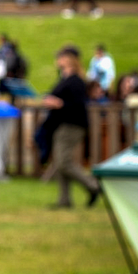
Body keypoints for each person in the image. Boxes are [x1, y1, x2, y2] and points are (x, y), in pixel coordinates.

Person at [42, 47, 101, 208]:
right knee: (61, 162)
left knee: (64, 162)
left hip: (72, 125)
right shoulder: (65, 78)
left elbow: (77, 105)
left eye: (60, 57)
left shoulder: (76, 81)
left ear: (68, 59)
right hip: (62, 124)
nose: (57, 60)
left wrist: (58, 103)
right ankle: (64, 200)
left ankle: (93, 186)